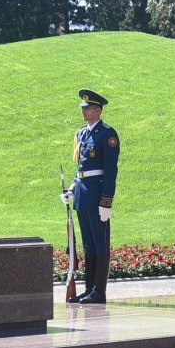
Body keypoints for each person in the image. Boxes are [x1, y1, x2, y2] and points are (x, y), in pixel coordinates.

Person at [65, 89, 119, 304]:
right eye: (83, 108)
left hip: (97, 196)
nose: (84, 111)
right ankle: (89, 289)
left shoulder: (107, 134)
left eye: (88, 108)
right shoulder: (82, 134)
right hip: (83, 195)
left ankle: (99, 291)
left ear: (98, 110)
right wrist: (71, 188)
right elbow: (80, 167)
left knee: (100, 243)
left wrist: (106, 201)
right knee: (88, 244)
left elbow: (110, 170)